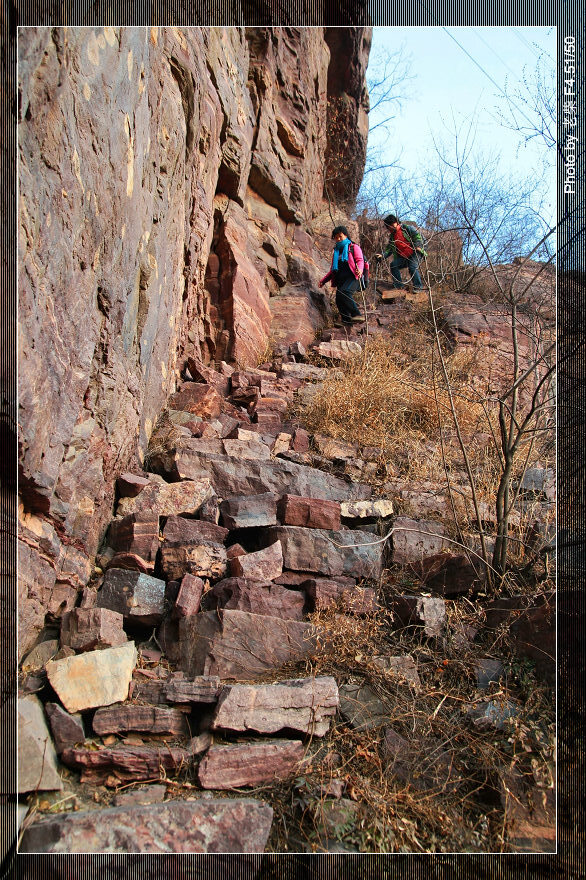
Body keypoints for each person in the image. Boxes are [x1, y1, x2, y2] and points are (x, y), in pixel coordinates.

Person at [318, 226, 364, 326]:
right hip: (341, 280)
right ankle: (346, 320)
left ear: (345, 235)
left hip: (353, 277)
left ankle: (357, 314)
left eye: (340, 236)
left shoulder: (353, 247)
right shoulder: (337, 252)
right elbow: (333, 270)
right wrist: (323, 281)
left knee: (345, 292)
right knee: (339, 299)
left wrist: (360, 270)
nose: (338, 239)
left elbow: (360, 260)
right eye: (336, 237)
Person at [377, 214, 426, 291]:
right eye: (388, 227)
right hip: (404, 256)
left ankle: (418, 287)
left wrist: (417, 246)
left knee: (412, 267)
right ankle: (399, 286)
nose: (390, 228)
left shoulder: (407, 229)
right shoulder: (392, 237)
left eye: (391, 225)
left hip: (415, 252)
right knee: (393, 265)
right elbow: (389, 249)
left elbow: (417, 236)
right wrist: (382, 256)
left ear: (396, 222)